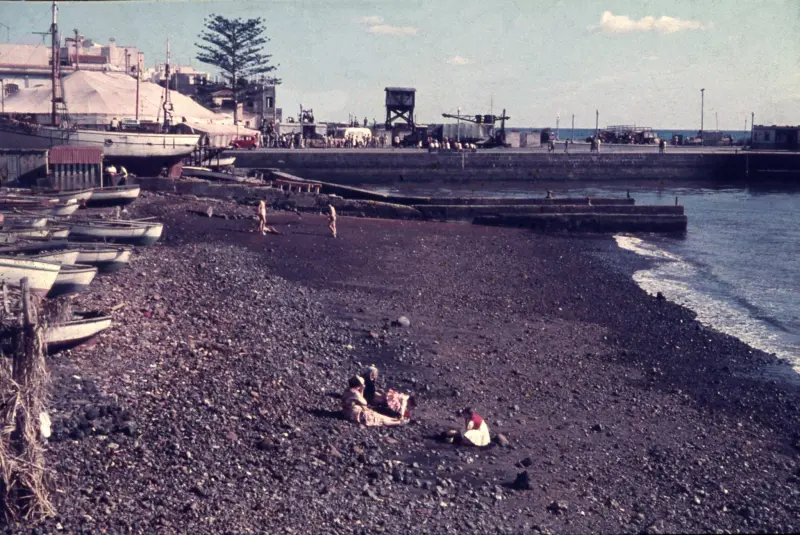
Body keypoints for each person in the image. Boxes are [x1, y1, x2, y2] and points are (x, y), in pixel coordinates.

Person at [341, 376, 407, 427]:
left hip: (347, 412)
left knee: (379, 416)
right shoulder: (355, 393)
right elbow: (364, 402)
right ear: (359, 385)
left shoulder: (347, 390)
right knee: (379, 419)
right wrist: (362, 390)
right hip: (354, 414)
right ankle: (397, 422)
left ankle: (397, 421)